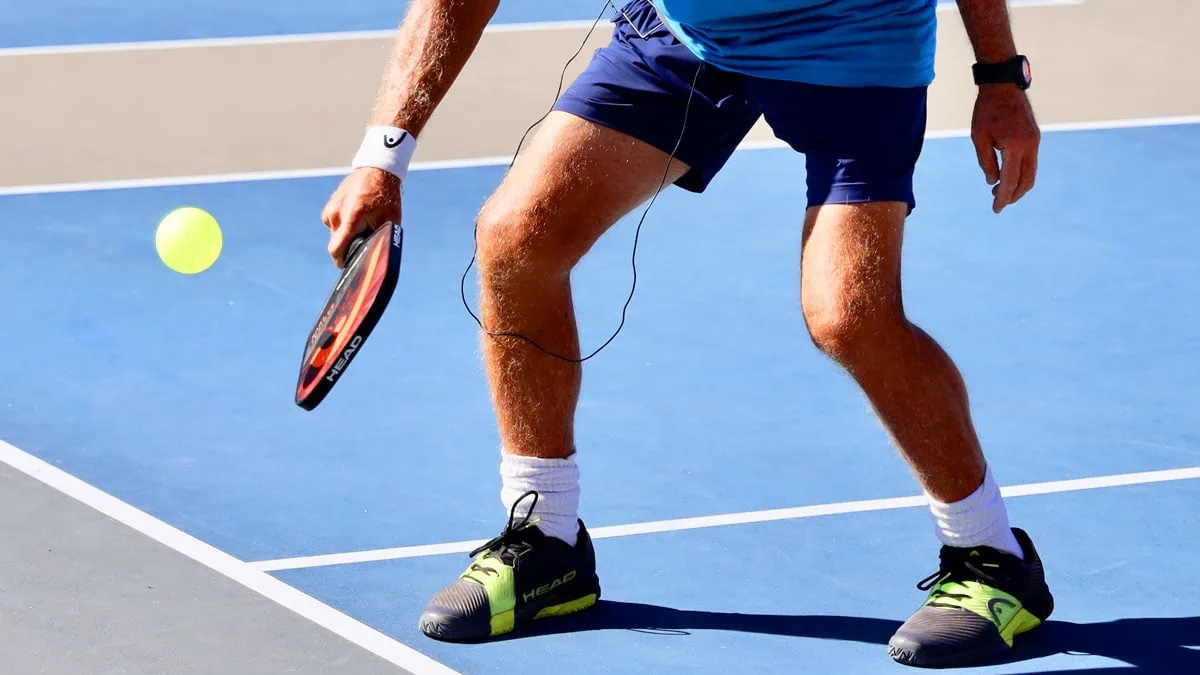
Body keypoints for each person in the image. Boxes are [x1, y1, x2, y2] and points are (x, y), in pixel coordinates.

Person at [321, 0, 1052, 667]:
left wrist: (1000, 77)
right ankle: (546, 540)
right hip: (687, 36)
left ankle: (989, 555)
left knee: (849, 316)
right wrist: (383, 157)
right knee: (517, 238)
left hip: (853, 43)